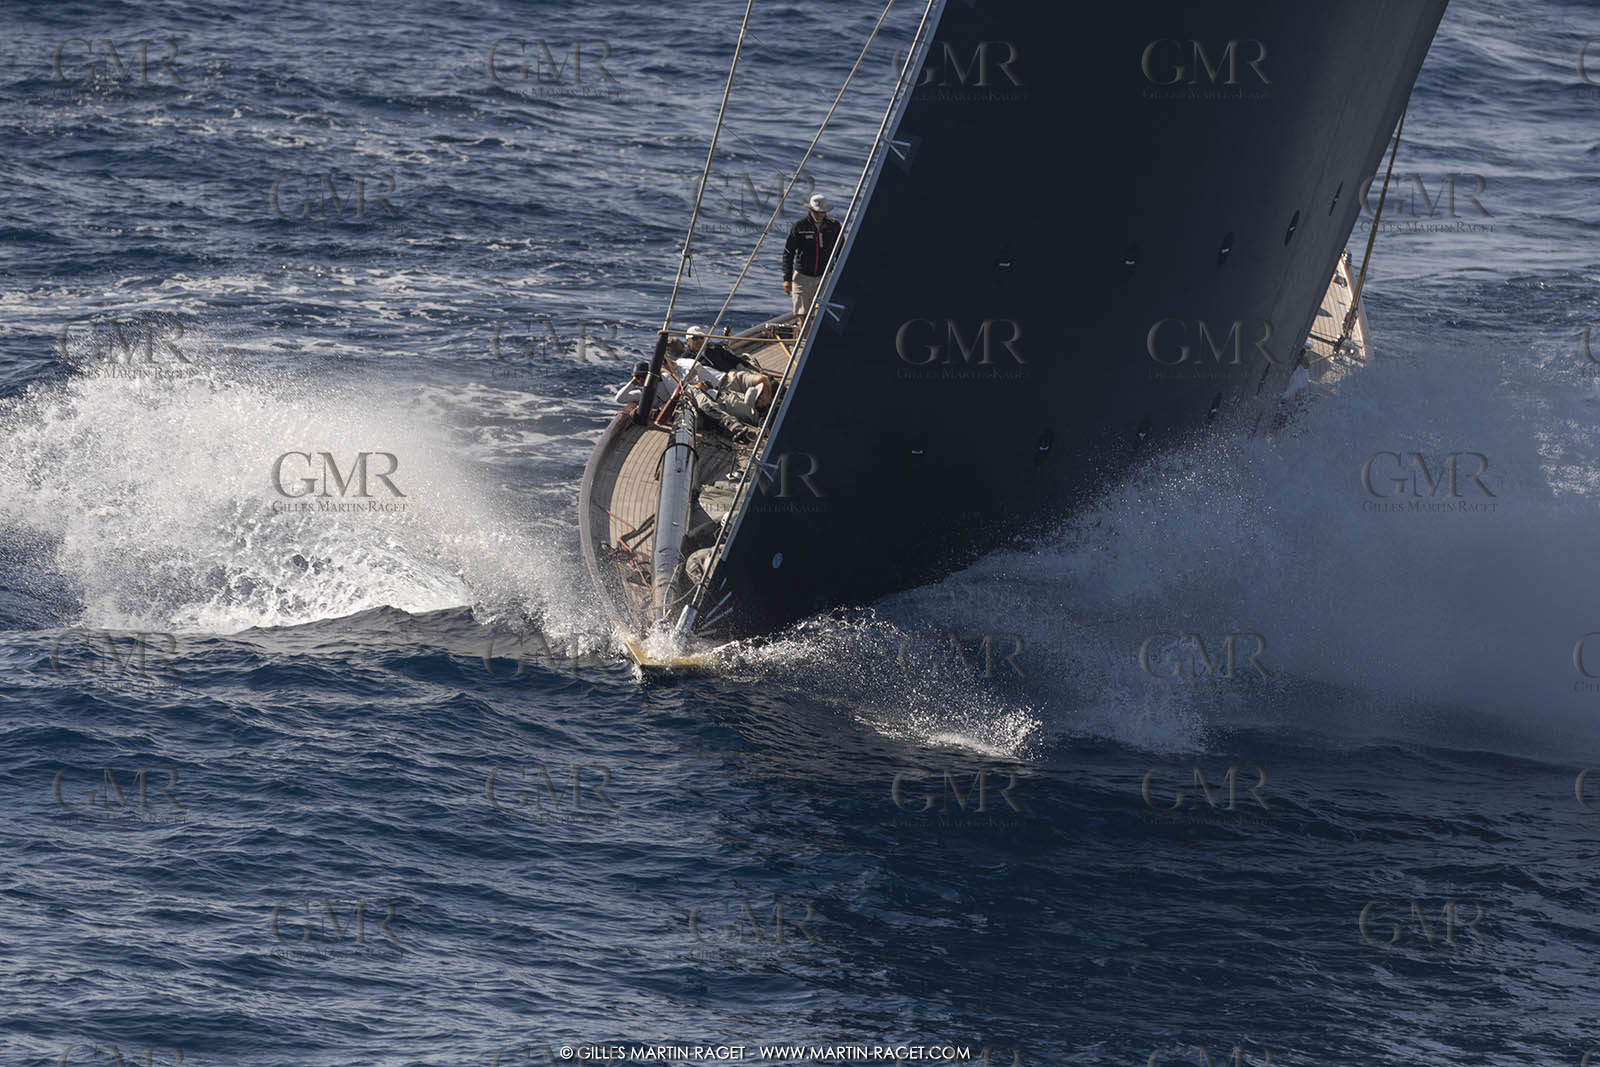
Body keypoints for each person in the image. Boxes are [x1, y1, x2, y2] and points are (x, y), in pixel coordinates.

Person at [782, 193, 841, 319]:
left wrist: (839, 273)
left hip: (825, 276)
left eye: (822, 212)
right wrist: (787, 278)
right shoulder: (799, 226)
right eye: (817, 212)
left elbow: (841, 250)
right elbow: (788, 253)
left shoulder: (834, 226)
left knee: (819, 314)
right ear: (810, 210)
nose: (820, 215)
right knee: (802, 316)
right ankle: (802, 338)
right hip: (802, 277)